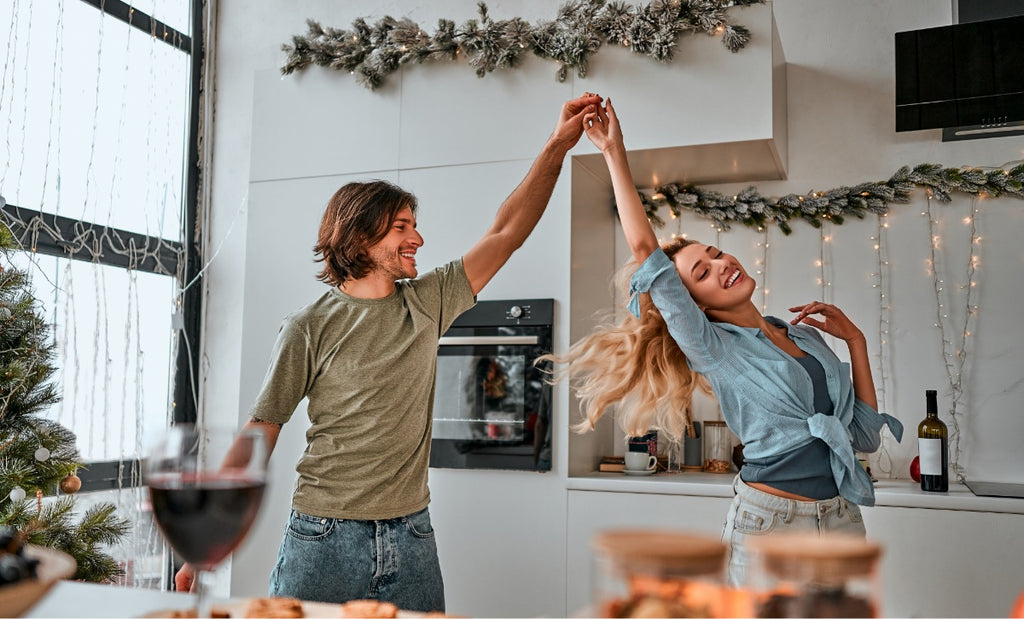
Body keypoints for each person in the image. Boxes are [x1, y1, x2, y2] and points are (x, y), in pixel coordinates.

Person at [174, 92, 602, 611]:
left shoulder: (428, 302)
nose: (418, 238)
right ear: (358, 236)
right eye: (402, 227)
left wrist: (558, 144)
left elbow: (507, 232)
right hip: (323, 537)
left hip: (413, 536)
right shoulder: (309, 326)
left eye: (414, 226)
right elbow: (259, 432)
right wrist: (206, 538)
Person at [550, 97, 903, 585]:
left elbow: (864, 437)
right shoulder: (713, 348)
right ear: (693, 305)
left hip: (842, 520)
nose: (722, 264)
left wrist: (857, 343)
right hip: (770, 526)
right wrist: (614, 151)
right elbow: (645, 252)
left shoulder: (802, 336)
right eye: (704, 271)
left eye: (716, 253)